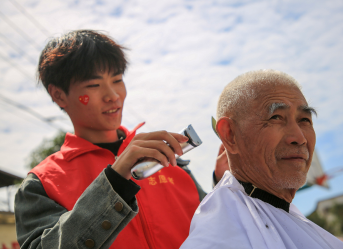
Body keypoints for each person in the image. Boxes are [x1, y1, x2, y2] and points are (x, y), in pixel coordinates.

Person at [14, 30, 207, 249]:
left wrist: (230, 183)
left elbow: (218, 231)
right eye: (94, 85)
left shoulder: (169, 158)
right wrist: (114, 182)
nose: (113, 95)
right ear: (58, 95)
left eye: (117, 80)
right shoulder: (41, 184)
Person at [180, 70, 343, 249]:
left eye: (305, 120)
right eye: (276, 117)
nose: (300, 138)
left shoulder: (280, 213)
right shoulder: (219, 237)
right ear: (230, 135)